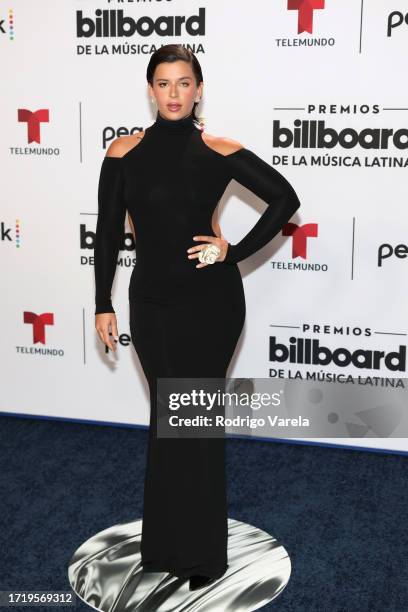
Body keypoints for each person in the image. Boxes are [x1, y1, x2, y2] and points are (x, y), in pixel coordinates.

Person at [94, 44, 301, 592]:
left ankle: (203, 554)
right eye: (163, 83)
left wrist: (233, 251)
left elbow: (285, 198)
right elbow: (110, 233)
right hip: (152, 305)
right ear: (151, 89)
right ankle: (165, 547)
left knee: (197, 424)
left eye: (184, 83)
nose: (174, 93)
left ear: (198, 88)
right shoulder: (122, 153)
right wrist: (102, 302)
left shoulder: (218, 148)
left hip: (211, 304)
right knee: (168, 422)